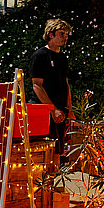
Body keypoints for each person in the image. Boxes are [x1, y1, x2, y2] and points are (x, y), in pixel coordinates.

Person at [30, 19, 74, 155]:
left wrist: (70, 109)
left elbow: (65, 83)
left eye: (66, 35)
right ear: (50, 35)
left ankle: (56, 174)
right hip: (43, 111)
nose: (65, 38)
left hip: (60, 111)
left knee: (58, 151)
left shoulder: (62, 58)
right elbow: (37, 85)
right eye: (62, 34)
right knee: (43, 150)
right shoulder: (40, 56)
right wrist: (52, 109)